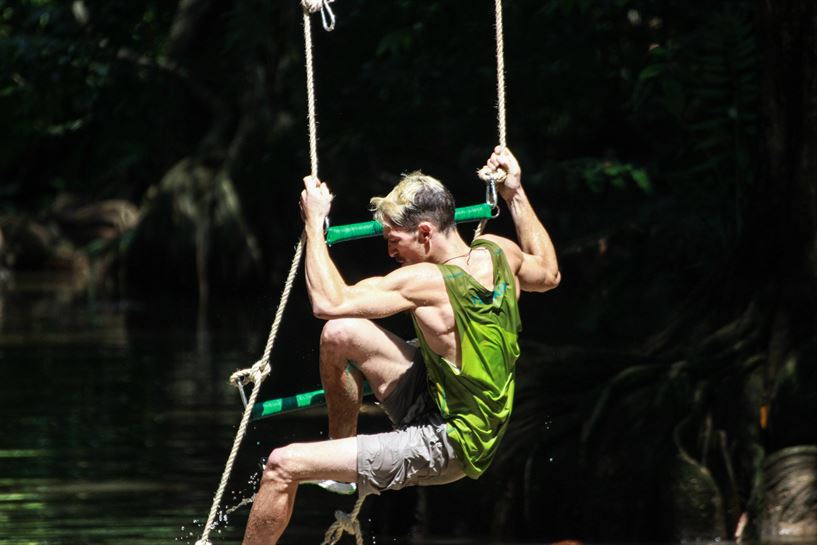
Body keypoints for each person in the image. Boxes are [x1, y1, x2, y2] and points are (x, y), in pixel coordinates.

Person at [242, 147, 560, 545]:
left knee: (281, 465)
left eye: (395, 241)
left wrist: (313, 223)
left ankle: (336, 466)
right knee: (341, 333)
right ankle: (341, 463)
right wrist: (514, 192)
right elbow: (548, 273)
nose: (390, 252)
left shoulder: (427, 281)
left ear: (425, 232)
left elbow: (327, 301)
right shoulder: (500, 251)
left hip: (446, 443)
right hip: (444, 402)